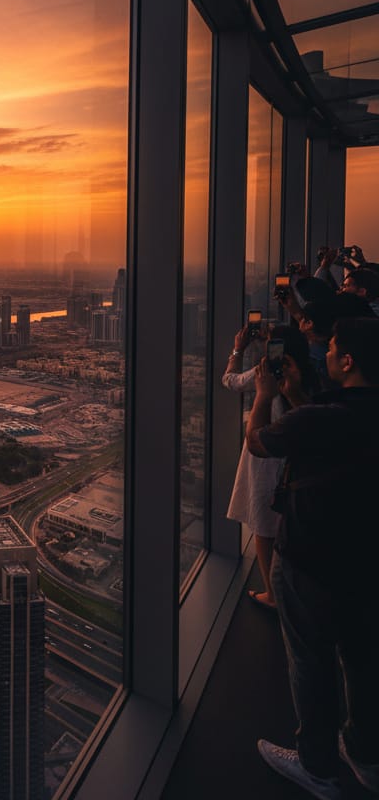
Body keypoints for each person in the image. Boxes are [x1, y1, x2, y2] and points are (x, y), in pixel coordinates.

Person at [247, 318, 379, 798]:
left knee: (311, 662)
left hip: (310, 557)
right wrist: (301, 396)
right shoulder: (343, 413)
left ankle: (317, 765)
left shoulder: (318, 416)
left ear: (347, 362)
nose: (323, 354)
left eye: (333, 350)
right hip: (367, 561)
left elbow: (258, 441)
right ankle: (365, 754)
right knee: (363, 659)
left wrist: (264, 394)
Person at [223, 322, 315, 608]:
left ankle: (272, 594)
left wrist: (238, 349)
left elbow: (230, 381)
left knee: (263, 527)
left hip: (264, 456)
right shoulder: (311, 373)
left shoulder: (266, 374)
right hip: (298, 460)